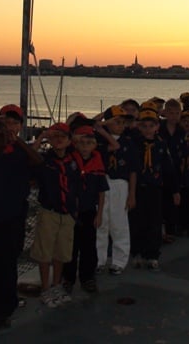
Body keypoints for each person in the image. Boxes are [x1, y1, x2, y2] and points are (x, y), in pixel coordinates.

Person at [0, 119, 42, 330]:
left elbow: (38, 162)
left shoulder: (17, 158)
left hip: (11, 223)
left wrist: (18, 141)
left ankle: (3, 312)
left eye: (2, 134)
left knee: (6, 270)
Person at [30, 122, 81, 308]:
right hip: (49, 211)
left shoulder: (73, 161)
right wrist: (42, 136)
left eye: (62, 137)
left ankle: (56, 284)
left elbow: (76, 186)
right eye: (55, 137)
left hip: (67, 213)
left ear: (69, 141)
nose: (58, 140)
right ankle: (45, 288)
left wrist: (75, 211)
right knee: (45, 252)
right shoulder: (44, 161)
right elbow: (29, 158)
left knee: (61, 252)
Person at [129, 109, 179, 271]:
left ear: (157, 126)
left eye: (151, 125)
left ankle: (152, 255)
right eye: (144, 126)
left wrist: (175, 191)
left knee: (155, 222)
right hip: (137, 188)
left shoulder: (161, 145)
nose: (148, 129)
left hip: (155, 188)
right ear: (139, 127)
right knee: (136, 222)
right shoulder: (134, 143)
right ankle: (136, 252)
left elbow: (169, 169)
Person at [62, 125, 108, 294]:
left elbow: (102, 191)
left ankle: (87, 278)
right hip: (72, 211)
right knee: (70, 247)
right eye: (82, 142)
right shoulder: (70, 161)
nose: (85, 146)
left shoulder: (97, 164)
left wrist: (100, 213)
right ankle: (68, 278)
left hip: (89, 211)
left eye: (89, 142)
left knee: (89, 247)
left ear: (94, 145)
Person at [95, 105, 138, 274]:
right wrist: (104, 126)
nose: (120, 126)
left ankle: (119, 261)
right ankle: (99, 259)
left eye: (122, 122)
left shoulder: (128, 142)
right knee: (101, 222)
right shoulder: (99, 140)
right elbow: (92, 125)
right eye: (116, 122)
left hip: (120, 183)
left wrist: (132, 194)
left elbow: (133, 170)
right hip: (102, 182)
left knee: (119, 223)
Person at [158, 98, 183, 242]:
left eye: (177, 113)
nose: (174, 116)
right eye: (171, 113)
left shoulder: (181, 131)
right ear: (165, 113)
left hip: (175, 171)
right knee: (159, 202)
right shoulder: (159, 128)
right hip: (160, 169)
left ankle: (170, 230)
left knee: (173, 201)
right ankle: (160, 231)